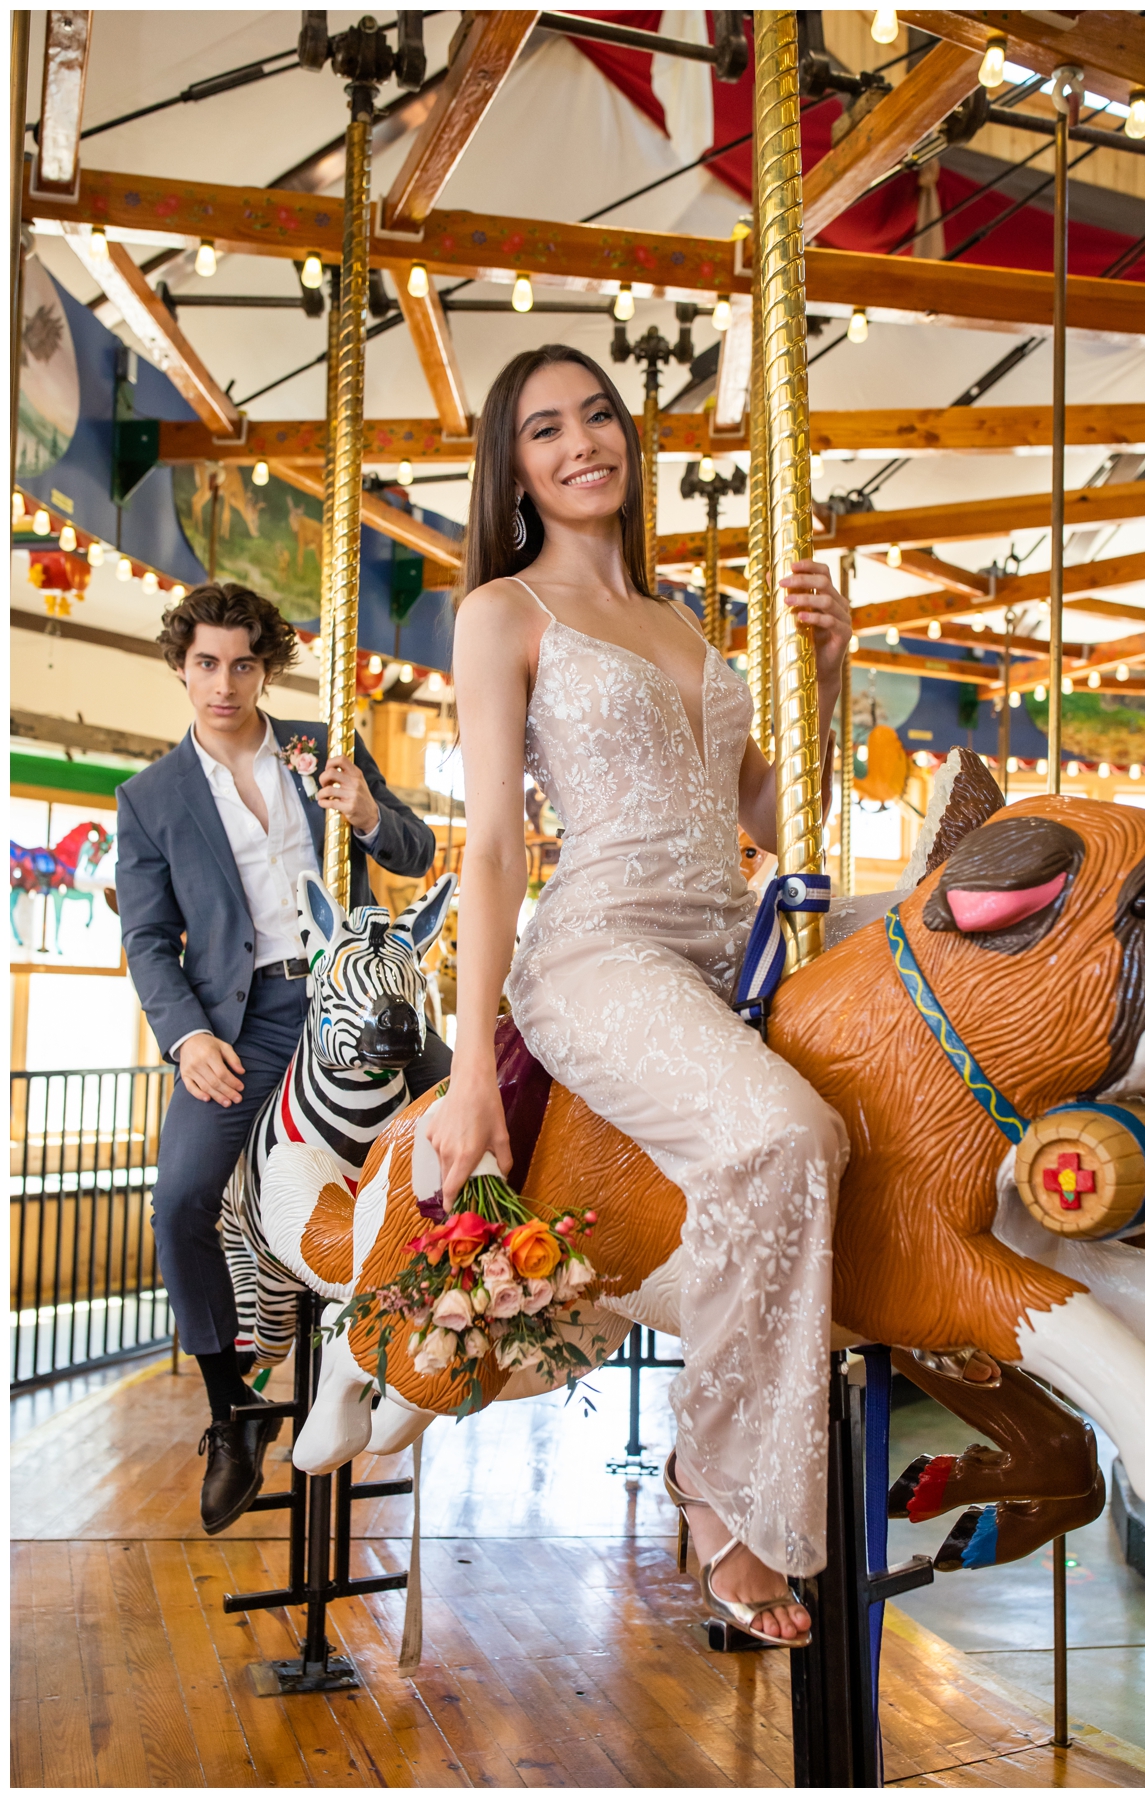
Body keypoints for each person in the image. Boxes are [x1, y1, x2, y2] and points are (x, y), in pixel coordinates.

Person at [430, 344, 849, 1646]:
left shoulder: (684, 621)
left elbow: (779, 814)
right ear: (517, 465)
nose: (580, 442)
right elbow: (493, 842)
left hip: (730, 945)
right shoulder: (504, 611)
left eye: (597, 414)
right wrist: (463, 1067)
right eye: (544, 426)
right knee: (786, 1132)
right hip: (600, 950)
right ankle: (715, 1484)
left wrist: (830, 667)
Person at [117, 581, 450, 1532]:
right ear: (182, 667)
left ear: (267, 667)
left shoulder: (318, 747)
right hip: (247, 1016)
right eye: (207, 664)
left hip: (358, 991)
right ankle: (233, 1413)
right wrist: (187, 1038)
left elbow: (416, 852)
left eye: (244, 664)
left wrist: (366, 818)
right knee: (180, 1198)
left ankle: (433, 1339)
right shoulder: (148, 800)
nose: (225, 684)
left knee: (475, 1113)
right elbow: (147, 939)